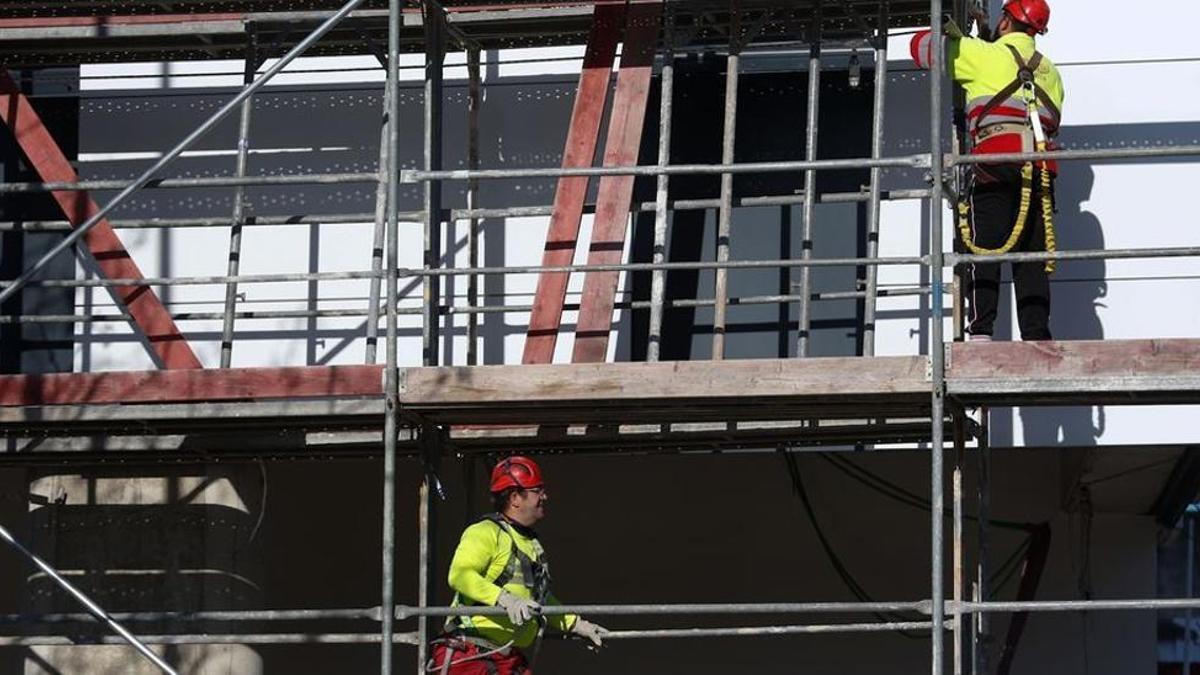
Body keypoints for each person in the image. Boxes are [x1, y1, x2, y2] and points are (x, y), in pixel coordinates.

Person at [911, 0, 1065, 341]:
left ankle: (980, 333)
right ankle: (1037, 337)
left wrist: (965, 38)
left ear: (1007, 21)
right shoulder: (1052, 72)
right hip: (1039, 168)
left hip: (996, 162)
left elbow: (920, 47)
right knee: (1032, 258)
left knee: (986, 247)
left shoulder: (981, 55)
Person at [429, 456, 607, 674]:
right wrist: (504, 598)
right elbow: (459, 576)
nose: (544, 496)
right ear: (515, 497)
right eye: (537, 490)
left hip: (504, 658)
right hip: (470, 655)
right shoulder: (485, 532)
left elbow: (539, 599)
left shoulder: (529, 543)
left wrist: (575, 624)